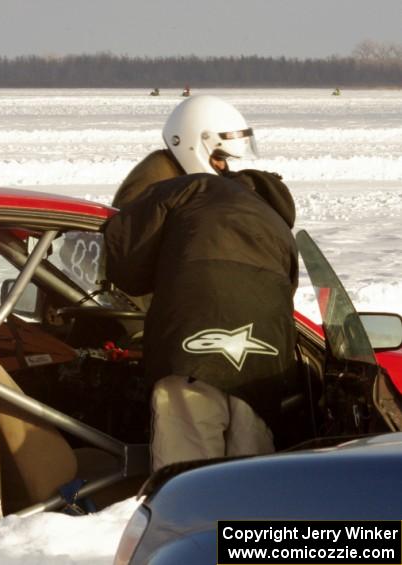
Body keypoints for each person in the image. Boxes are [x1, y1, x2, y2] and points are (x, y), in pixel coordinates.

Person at [103, 95, 299, 471]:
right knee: (251, 464)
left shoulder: (171, 191)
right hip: (264, 352)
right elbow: (285, 289)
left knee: (187, 465)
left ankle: (187, 526)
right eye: (221, 159)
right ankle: (246, 530)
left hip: (191, 344)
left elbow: (124, 267)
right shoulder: (272, 214)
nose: (224, 169)